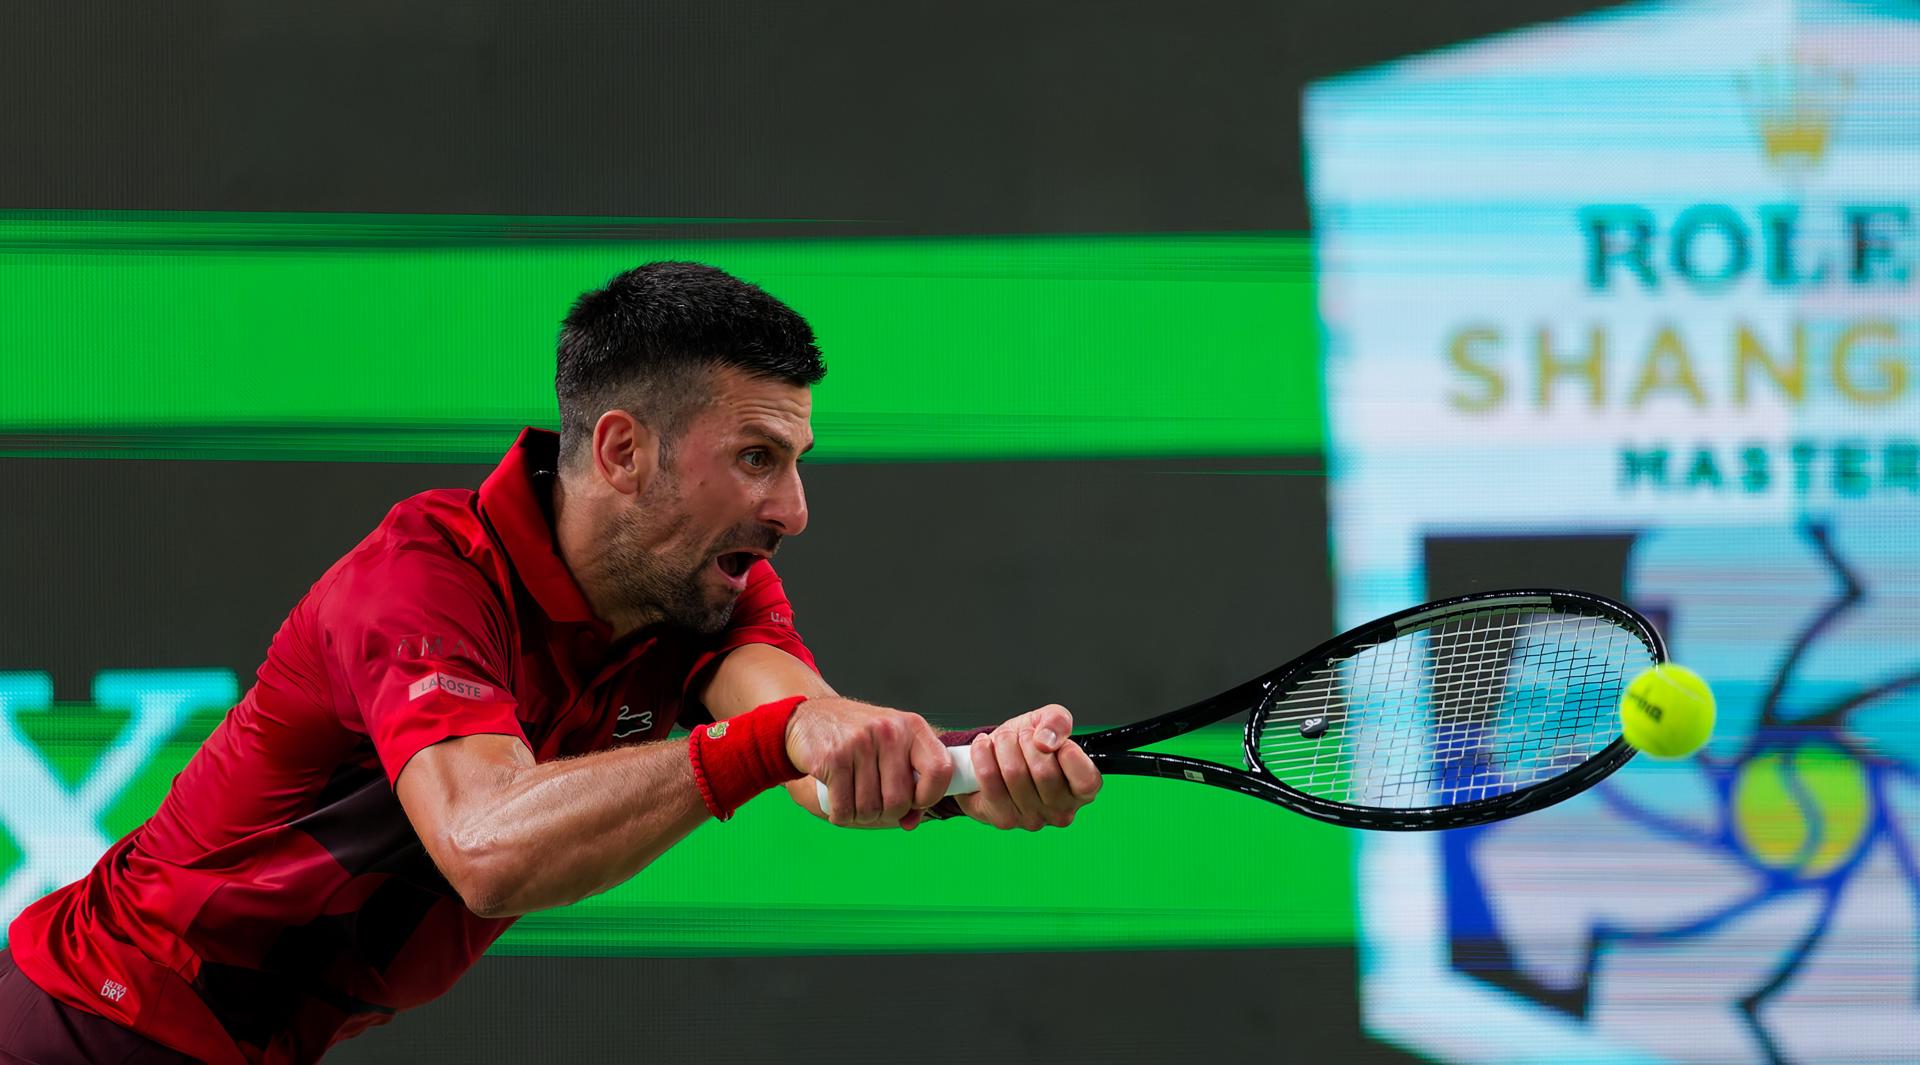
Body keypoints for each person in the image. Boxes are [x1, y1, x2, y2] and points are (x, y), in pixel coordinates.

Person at [0, 262, 1102, 1064]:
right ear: (623, 452)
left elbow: (812, 746)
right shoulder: (421, 579)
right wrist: (772, 744)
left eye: (797, 461)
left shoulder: (705, 581)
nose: (794, 511)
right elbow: (487, 845)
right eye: (757, 458)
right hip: (87, 1023)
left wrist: (968, 774)